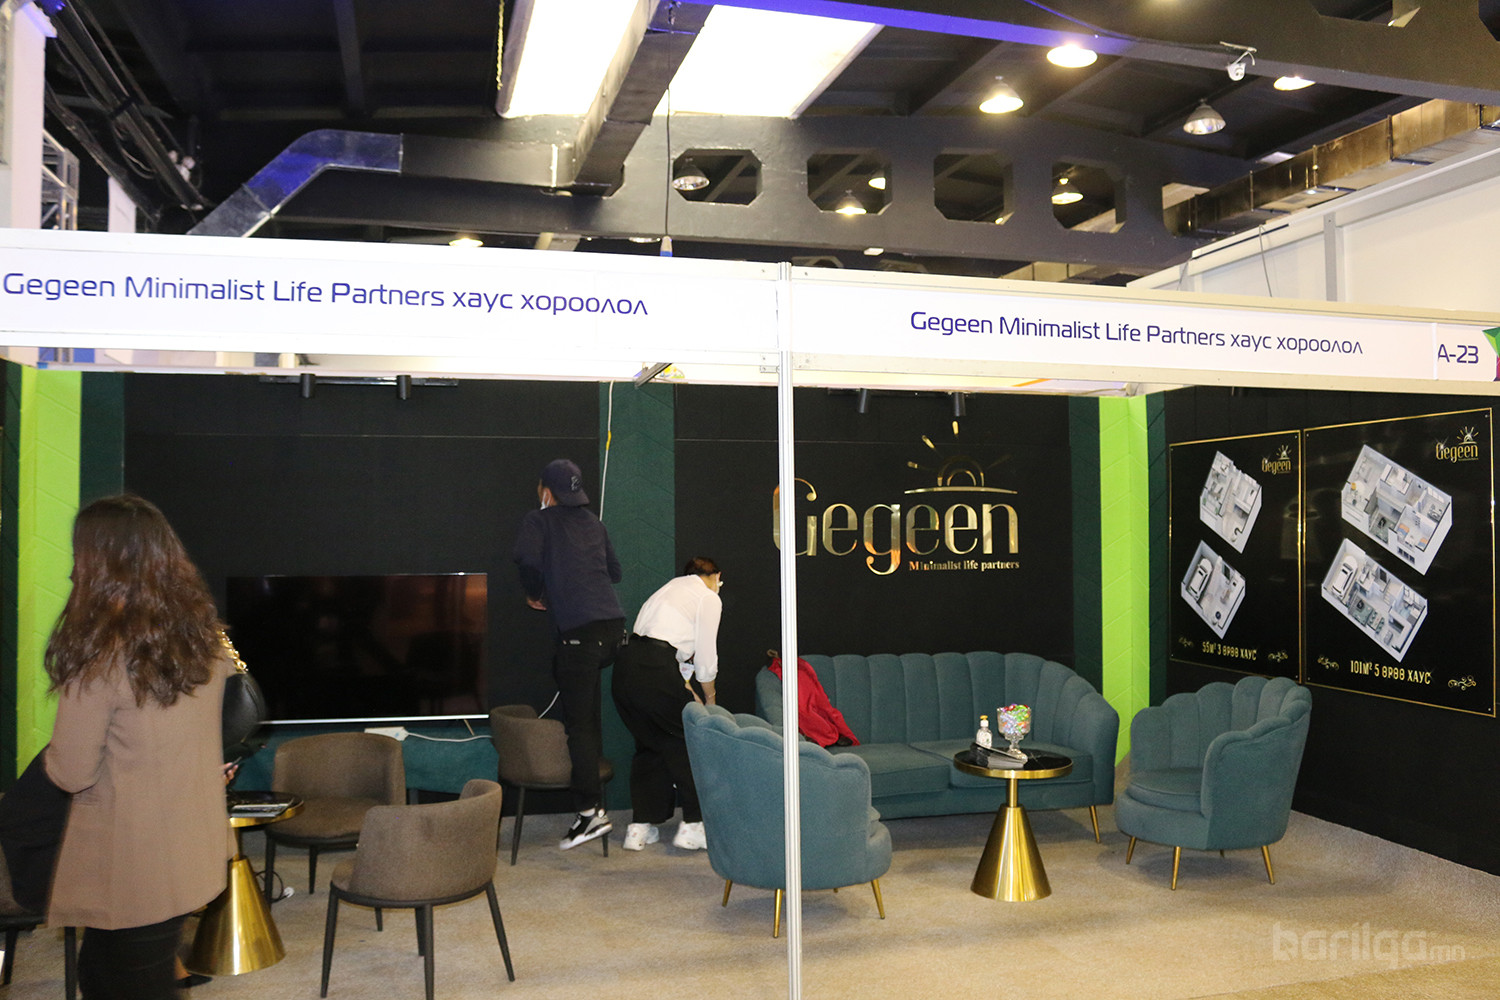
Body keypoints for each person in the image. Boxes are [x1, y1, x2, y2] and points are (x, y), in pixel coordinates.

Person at [43, 495, 235, 1000]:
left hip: (131, 862)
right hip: (192, 843)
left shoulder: (100, 656)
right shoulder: (205, 641)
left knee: (117, 981)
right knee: (128, 974)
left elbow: (71, 772)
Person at [513, 458, 625, 850]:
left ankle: (590, 813)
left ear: (546, 492)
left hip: (580, 634)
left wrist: (535, 593)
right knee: (587, 721)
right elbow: (615, 572)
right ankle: (591, 808)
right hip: (612, 631)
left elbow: (527, 560)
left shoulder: (538, 520)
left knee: (579, 727)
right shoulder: (594, 524)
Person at [611, 557, 723, 852]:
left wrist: (688, 691)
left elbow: (667, 649)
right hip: (656, 669)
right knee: (687, 744)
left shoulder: (670, 589)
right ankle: (694, 825)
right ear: (716, 576)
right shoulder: (708, 597)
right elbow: (705, 658)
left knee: (650, 745)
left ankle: (639, 828)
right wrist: (710, 700)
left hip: (626, 668)